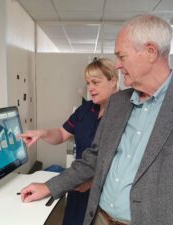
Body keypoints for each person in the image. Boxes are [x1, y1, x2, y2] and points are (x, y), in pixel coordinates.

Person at [20, 14, 173, 225]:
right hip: (100, 218)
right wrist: (50, 186)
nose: (117, 65)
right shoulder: (118, 103)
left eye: (122, 56)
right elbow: (94, 158)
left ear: (150, 51)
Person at [18, 57, 118, 225]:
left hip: (104, 195)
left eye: (95, 82)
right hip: (77, 185)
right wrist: (42, 133)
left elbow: (125, 163)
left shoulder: (124, 114)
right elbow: (61, 134)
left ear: (113, 81)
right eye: (88, 83)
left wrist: (93, 182)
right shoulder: (86, 109)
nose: (91, 88)